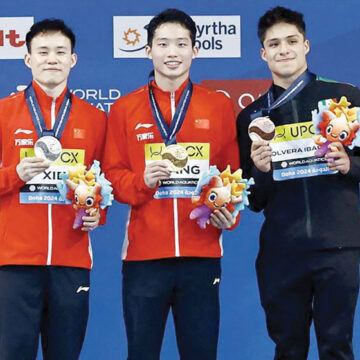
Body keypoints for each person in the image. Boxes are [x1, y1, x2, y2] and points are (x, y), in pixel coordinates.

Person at [102, 8, 239, 360]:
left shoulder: (219, 106)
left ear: (196, 50)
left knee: (201, 353)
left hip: (202, 255)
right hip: (144, 258)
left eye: (181, 44)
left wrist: (228, 212)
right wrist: (142, 181)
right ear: (149, 50)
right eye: (163, 44)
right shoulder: (124, 108)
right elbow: (113, 178)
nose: (172, 52)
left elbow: (231, 174)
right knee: (142, 353)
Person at [237, 6, 360, 360]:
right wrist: (260, 170)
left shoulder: (345, 98)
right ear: (263, 53)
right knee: (288, 350)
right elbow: (254, 198)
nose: (284, 50)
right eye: (274, 44)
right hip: (282, 254)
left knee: (337, 349)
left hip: (338, 246)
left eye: (291, 41)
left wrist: (349, 163)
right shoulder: (253, 117)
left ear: (306, 45)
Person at [0, 19, 107, 359]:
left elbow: (104, 183)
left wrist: (97, 213)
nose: (52, 59)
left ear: (72, 60)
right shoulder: (3, 113)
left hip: (71, 260)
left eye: (60, 52)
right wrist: (14, 173)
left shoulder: (95, 119)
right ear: (28, 59)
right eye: (42, 51)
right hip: (14, 262)